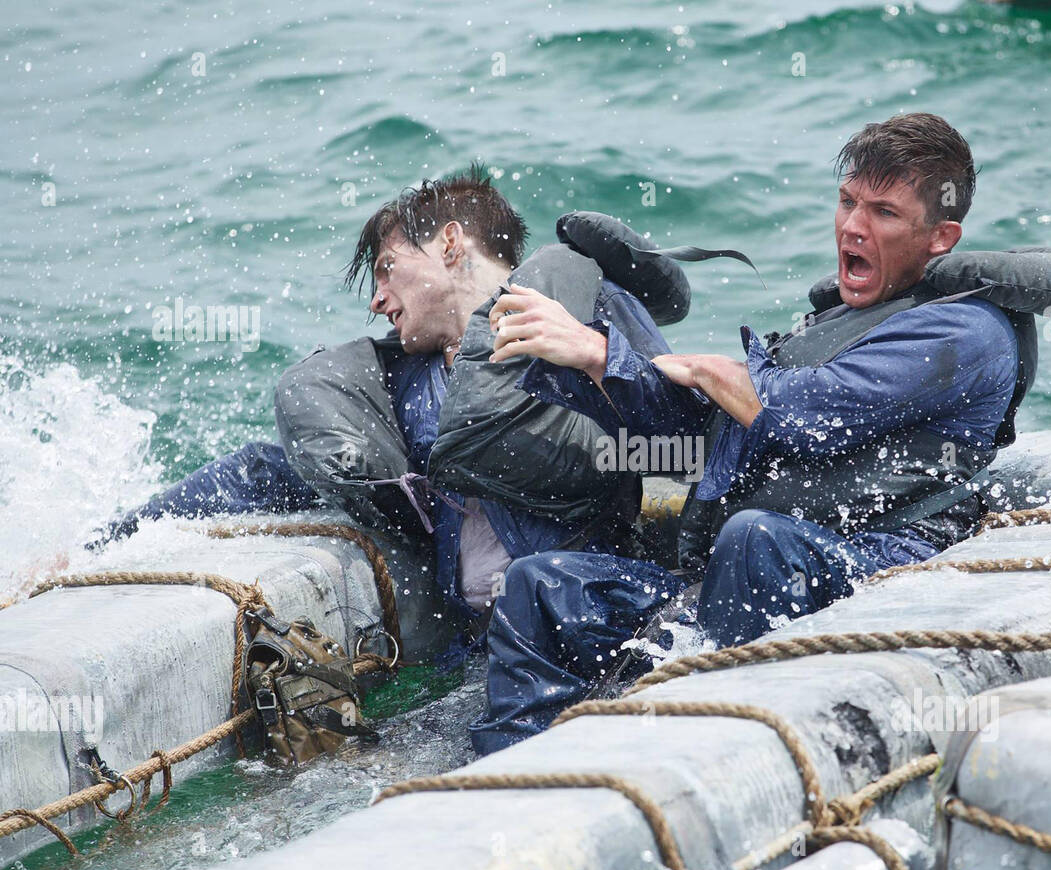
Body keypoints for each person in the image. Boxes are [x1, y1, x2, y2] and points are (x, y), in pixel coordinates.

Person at [466, 112, 1051, 753]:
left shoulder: (964, 335)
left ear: (940, 237)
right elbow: (716, 428)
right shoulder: (840, 321)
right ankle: (506, 777)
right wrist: (591, 361)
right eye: (847, 201)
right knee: (539, 584)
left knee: (754, 539)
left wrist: (622, 356)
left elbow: (804, 415)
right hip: (740, 567)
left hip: (878, 563)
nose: (853, 226)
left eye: (883, 212)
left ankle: (703, 753)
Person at [98, 168, 673, 655]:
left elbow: (683, 425)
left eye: (386, 269)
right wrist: (107, 544)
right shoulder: (401, 385)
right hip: (476, 648)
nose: (376, 300)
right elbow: (263, 471)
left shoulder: (583, 311)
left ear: (451, 245)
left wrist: (598, 357)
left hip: (592, 614)